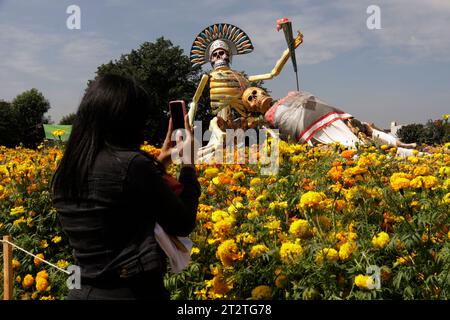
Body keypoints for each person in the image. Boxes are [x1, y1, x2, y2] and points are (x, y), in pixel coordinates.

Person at [51, 74, 200, 300]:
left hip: (81, 290)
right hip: (132, 292)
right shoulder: (133, 167)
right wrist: (188, 164)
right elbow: (183, 222)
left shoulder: (67, 170)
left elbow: (116, 196)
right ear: (127, 122)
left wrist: (160, 160)